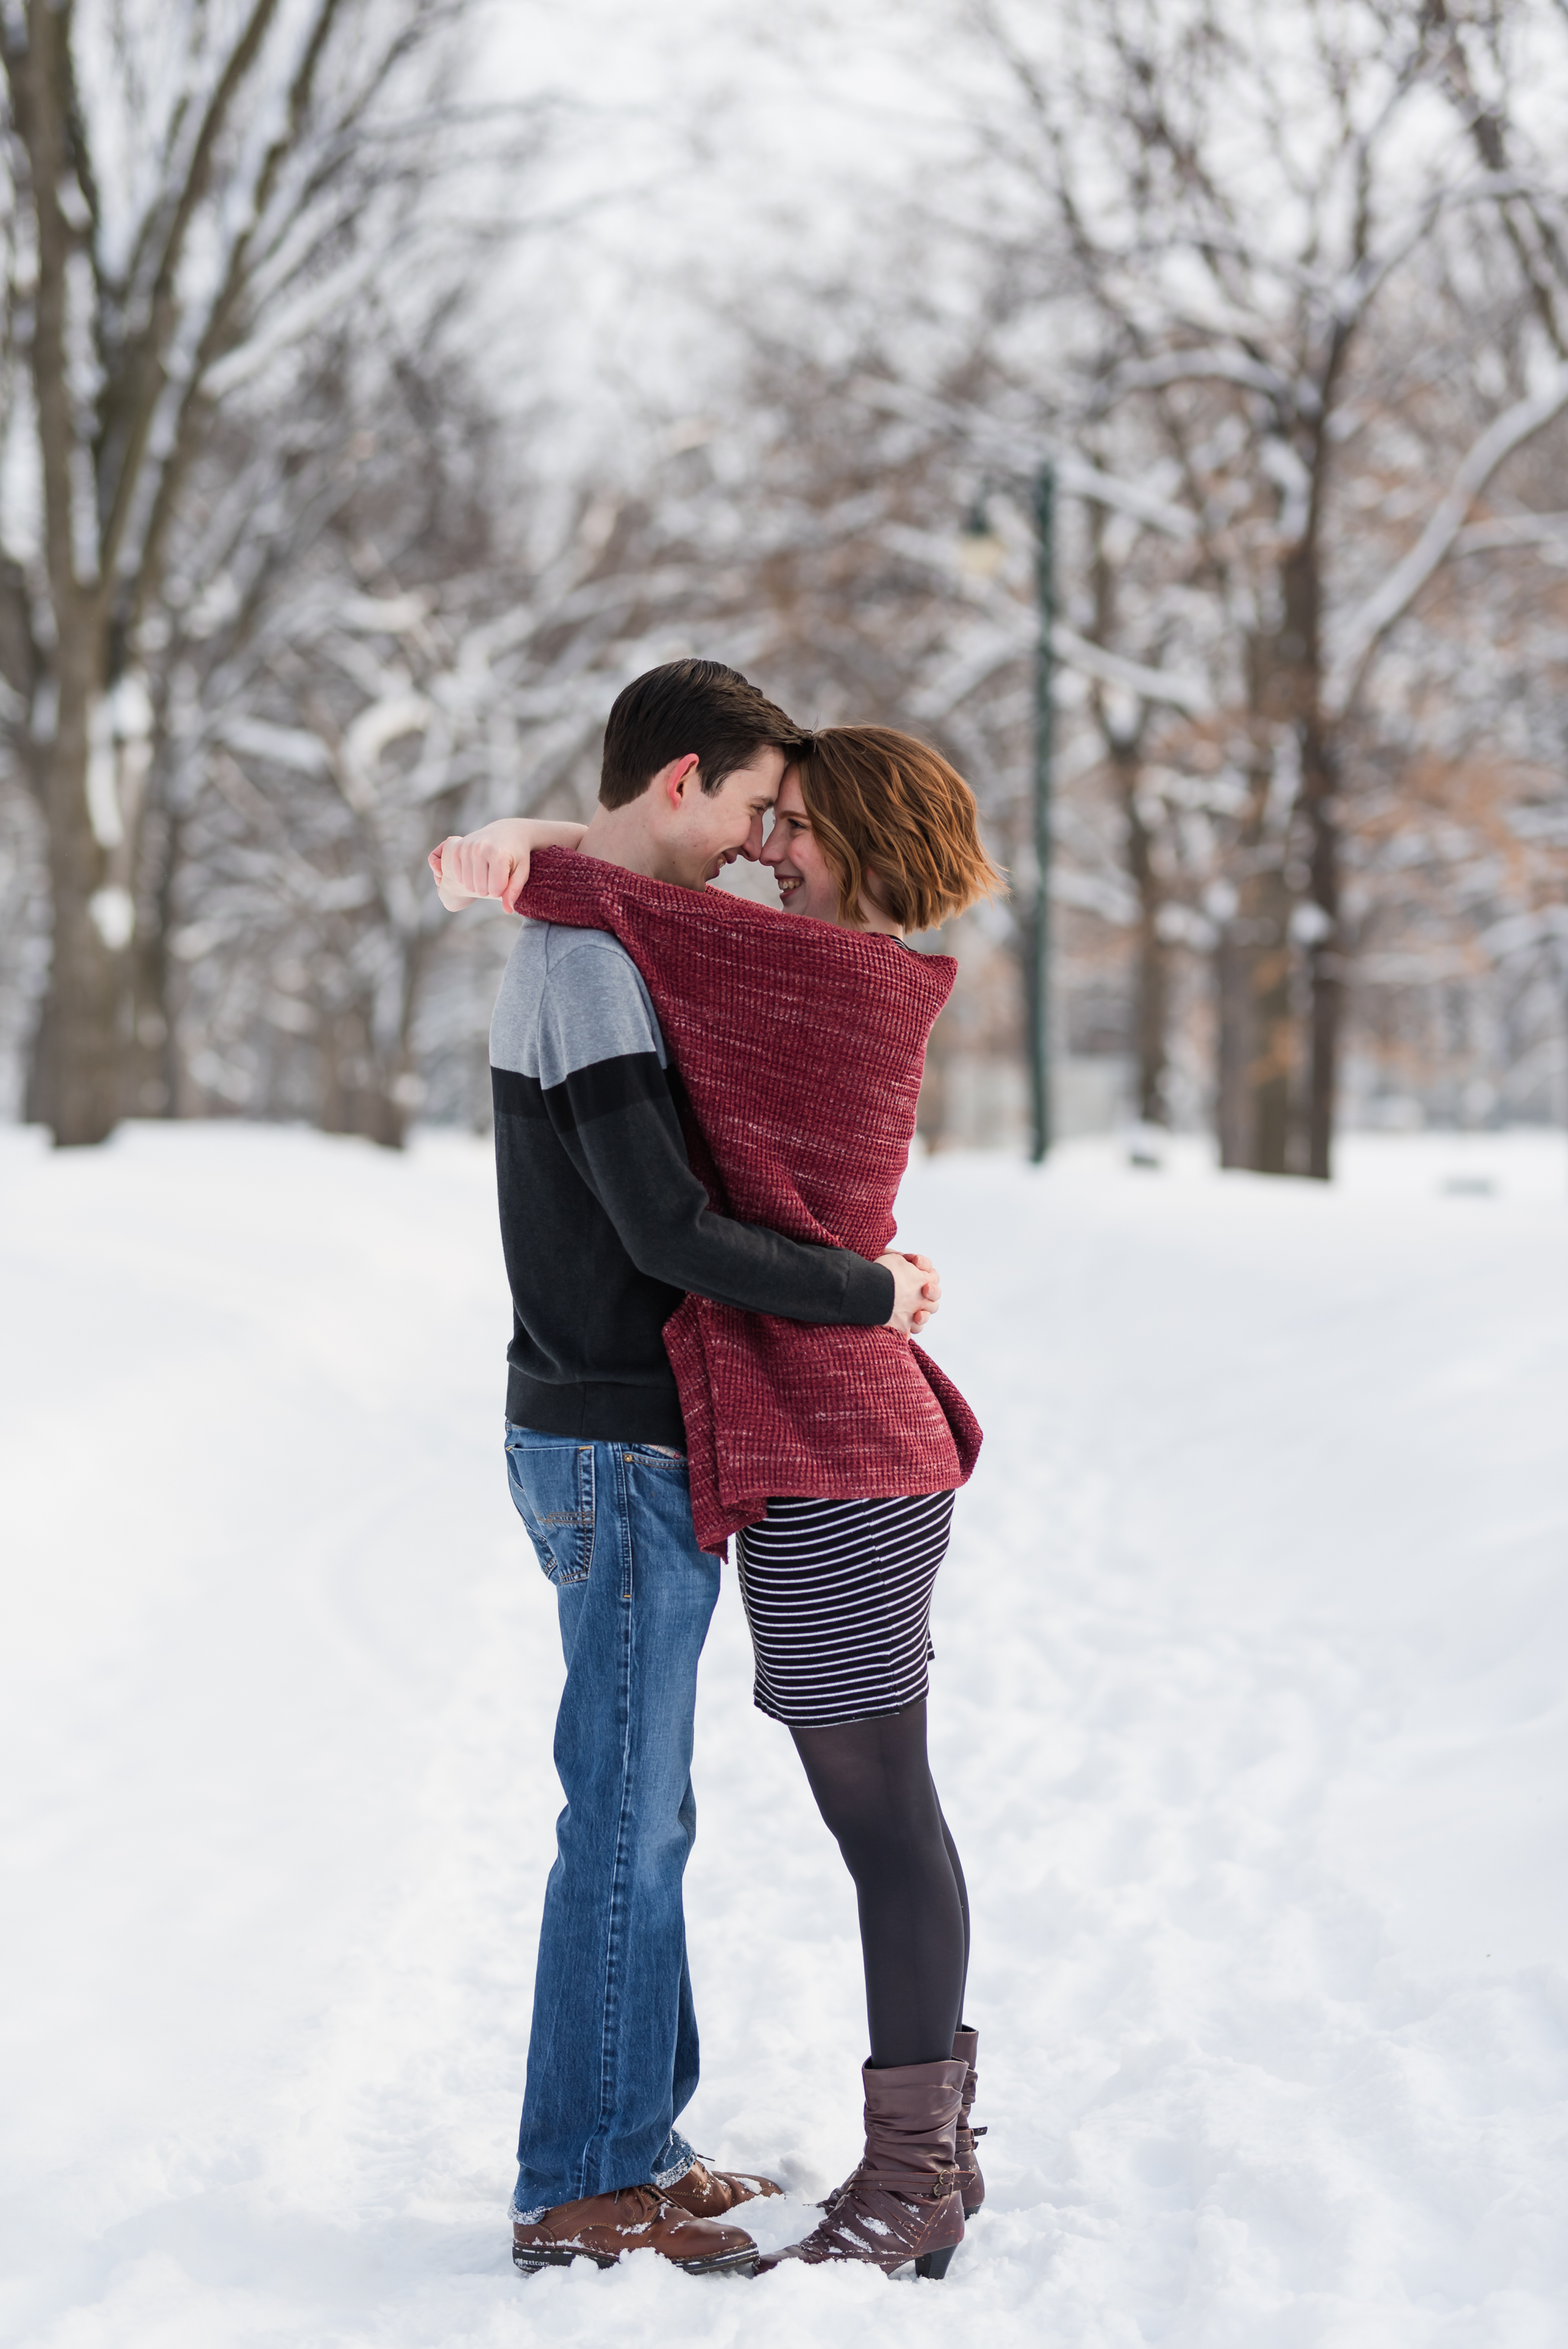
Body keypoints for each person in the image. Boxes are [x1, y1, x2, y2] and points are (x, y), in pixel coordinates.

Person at [436, 720, 999, 2281]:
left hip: (846, 1445)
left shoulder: (829, 977)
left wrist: (534, 849)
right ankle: (895, 2151)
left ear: (865, 839)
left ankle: (919, 2167)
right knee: (810, 1806)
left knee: (877, 1810)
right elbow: (631, 884)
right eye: (765, 811)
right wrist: (539, 844)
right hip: (814, 1438)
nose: (769, 844)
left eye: (795, 822)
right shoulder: (782, 954)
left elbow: (616, 891)